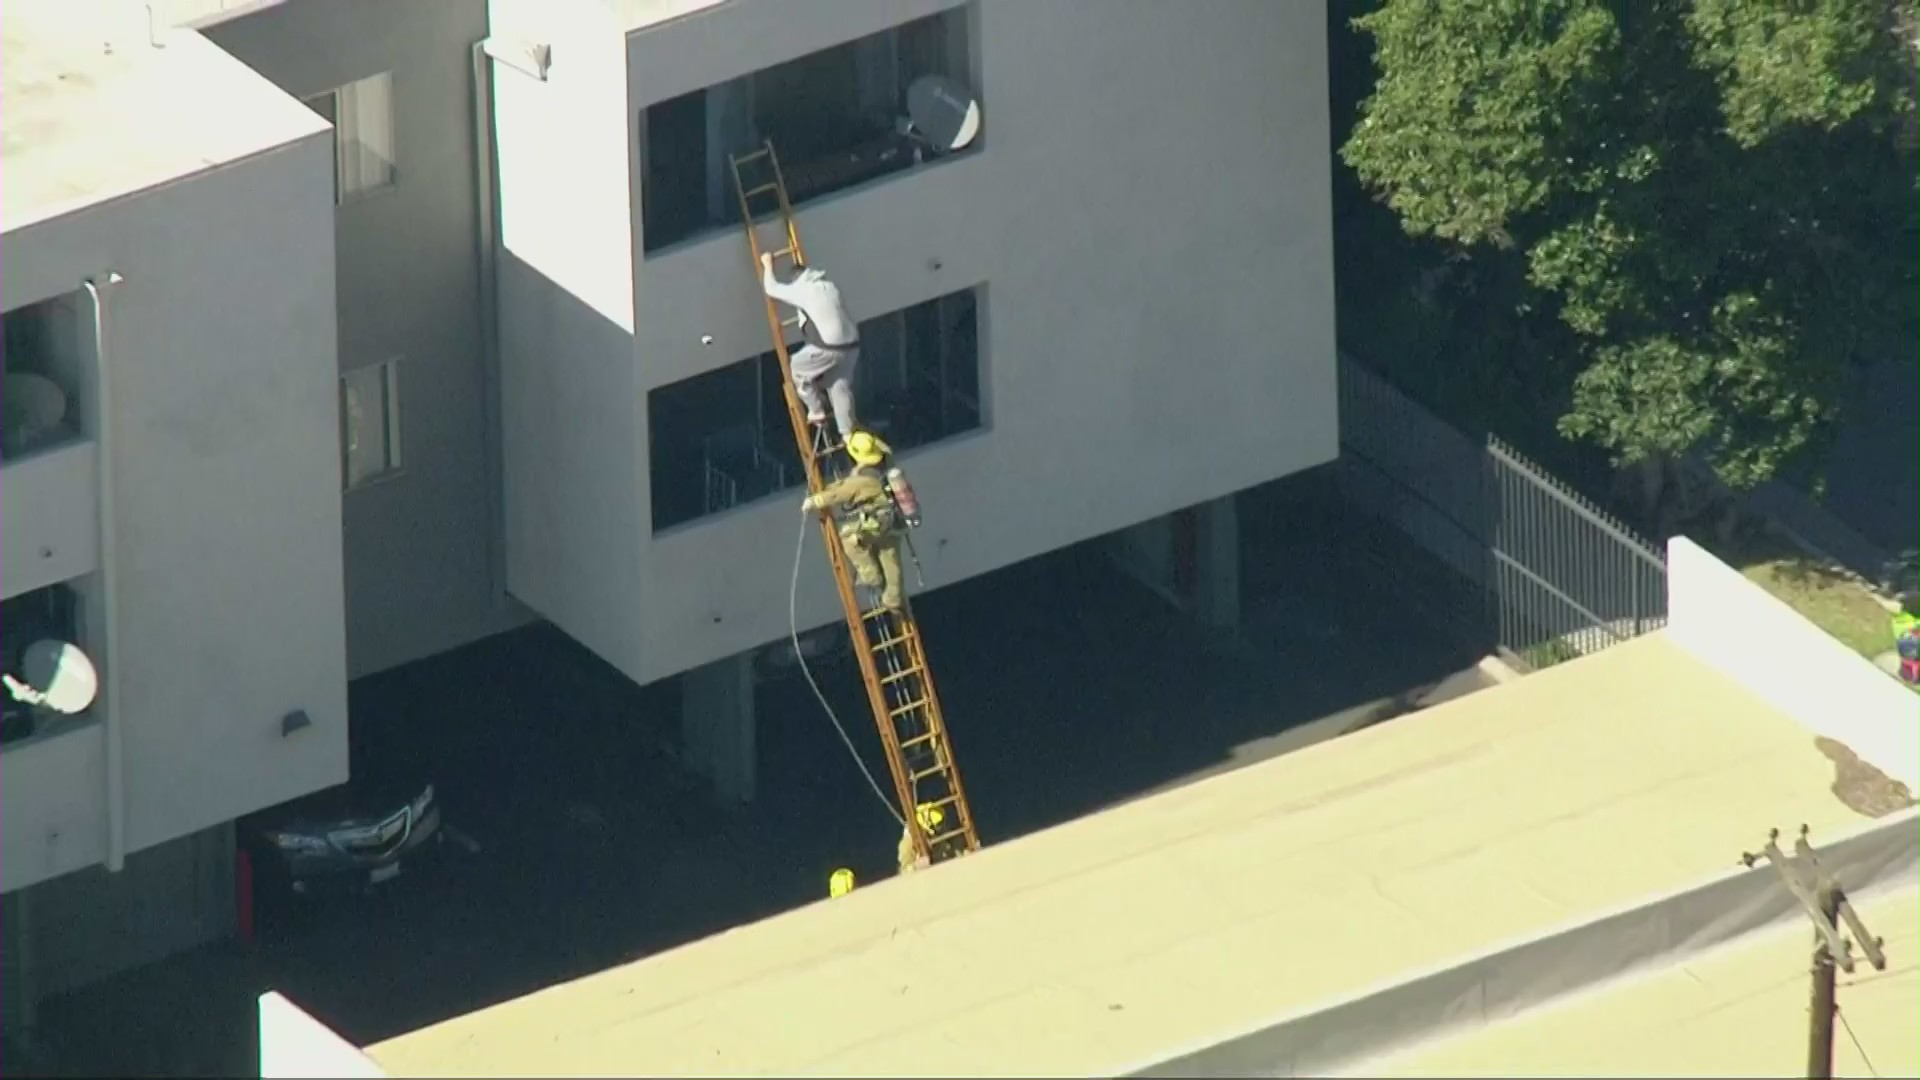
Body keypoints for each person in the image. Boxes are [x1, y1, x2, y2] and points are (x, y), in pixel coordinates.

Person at [802, 431, 907, 613]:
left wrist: (812, 502)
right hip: (895, 520)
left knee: (849, 540)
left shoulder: (860, 481)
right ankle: (894, 599)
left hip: (875, 523)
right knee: (891, 559)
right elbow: (883, 446)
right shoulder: (887, 460)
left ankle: (871, 576)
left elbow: (836, 495)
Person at [760, 251, 860, 440]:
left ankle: (816, 410)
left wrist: (767, 265)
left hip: (829, 347)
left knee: (798, 367)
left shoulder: (802, 290)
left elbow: (771, 288)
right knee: (839, 386)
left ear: (796, 280)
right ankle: (848, 434)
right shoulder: (829, 286)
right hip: (851, 346)